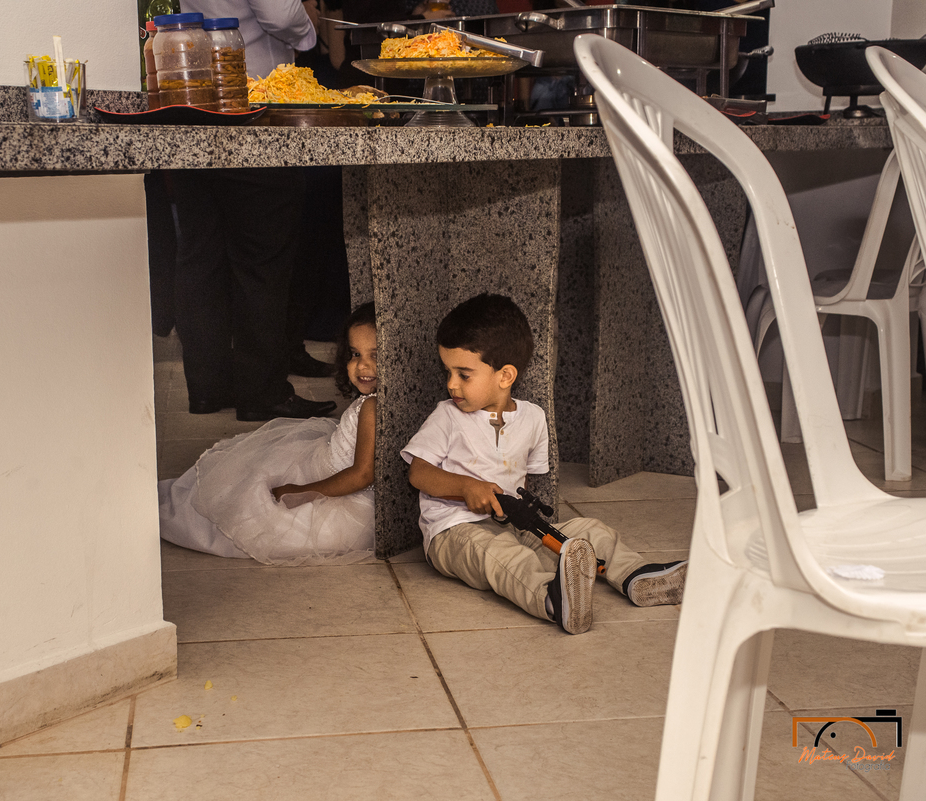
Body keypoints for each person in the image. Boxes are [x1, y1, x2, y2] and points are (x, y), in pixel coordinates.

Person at [401, 294, 687, 634]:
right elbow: (418, 473)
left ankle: (636, 577)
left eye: (464, 374)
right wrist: (465, 487)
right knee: (502, 555)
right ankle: (552, 599)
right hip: (453, 531)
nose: (451, 384)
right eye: (448, 372)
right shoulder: (446, 416)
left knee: (590, 530)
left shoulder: (533, 418)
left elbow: (527, 480)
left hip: (513, 521)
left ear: (505, 376)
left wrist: (532, 527)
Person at [171, 0, 333, 420]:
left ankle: (208, 388)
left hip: (189, 95)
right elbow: (279, 13)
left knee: (200, 255)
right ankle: (261, 393)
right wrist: (308, 25)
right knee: (263, 261)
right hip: (251, 103)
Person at [158, 302, 378, 565]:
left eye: (375, 355)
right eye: (355, 354)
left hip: (334, 487)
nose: (362, 366)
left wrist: (301, 492)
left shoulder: (372, 407)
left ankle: (171, 511)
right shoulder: (377, 401)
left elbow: (362, 474)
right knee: (246, 478)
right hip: (321, 461)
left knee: (250, 509)